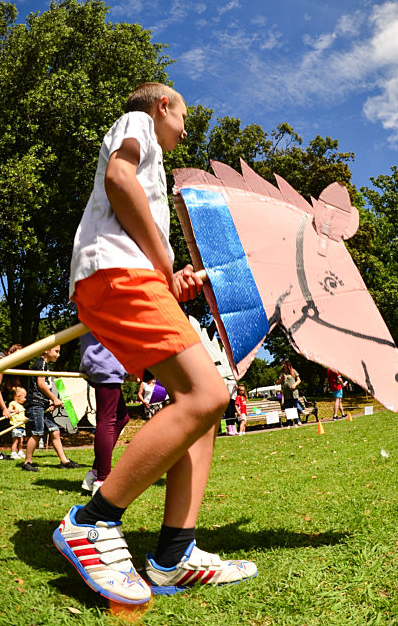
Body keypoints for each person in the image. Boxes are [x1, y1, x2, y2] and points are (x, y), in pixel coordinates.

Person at [53, 83, 257, 606]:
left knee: (207, 402)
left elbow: (141, 228)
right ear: (162, 106)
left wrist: (168, 275)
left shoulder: (155, 163)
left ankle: (173, 556)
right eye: (184, 115)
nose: (186, 128)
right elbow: (119, 178)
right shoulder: (138, 125)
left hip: (133, 275)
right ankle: (91, 522)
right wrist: (164, 265)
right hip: (115, 275)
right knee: (205, 395)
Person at [79, 332, 130, 497]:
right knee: (107, 419)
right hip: (105, 359)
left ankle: (95, 473)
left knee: (122, 418)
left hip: (99, 358)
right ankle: (103, 480)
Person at [22, 345, 83, 472]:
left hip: (42, 404)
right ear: (46, 349)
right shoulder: (41, 364)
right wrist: (54, 399)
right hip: (35, 404)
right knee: (37, 433)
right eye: (56, 351)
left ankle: (64, 461)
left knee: (55, 431)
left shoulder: (46, 366)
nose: (58, 355)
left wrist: (49, 401)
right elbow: (41, 384)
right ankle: (27, 462)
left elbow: (42, 387)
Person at [276, 358, 303, 426]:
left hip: (293, 392)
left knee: (295, 406)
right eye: (282, 363)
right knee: (288, 408)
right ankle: (289, 422)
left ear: (288, 364)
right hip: (286, 393)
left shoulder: (293, 371)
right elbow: (277, 383)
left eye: (284, 363)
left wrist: (295, 384)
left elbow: (299, 380)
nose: (283, 365)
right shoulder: (281, 373)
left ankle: (297, 421)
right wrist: (281, 380)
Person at [8, 386, 28, 459]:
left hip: (22, 426)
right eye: (24, 397)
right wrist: (14, 411)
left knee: (21, 441)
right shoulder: (13, 403)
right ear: (18, 396)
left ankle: (20, 452)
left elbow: (21, 416)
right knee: (15, 441)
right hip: (16, 426)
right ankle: (13, 453)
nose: (25, 399)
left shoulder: (21, 406)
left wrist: (25, 419)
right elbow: (8, 410)